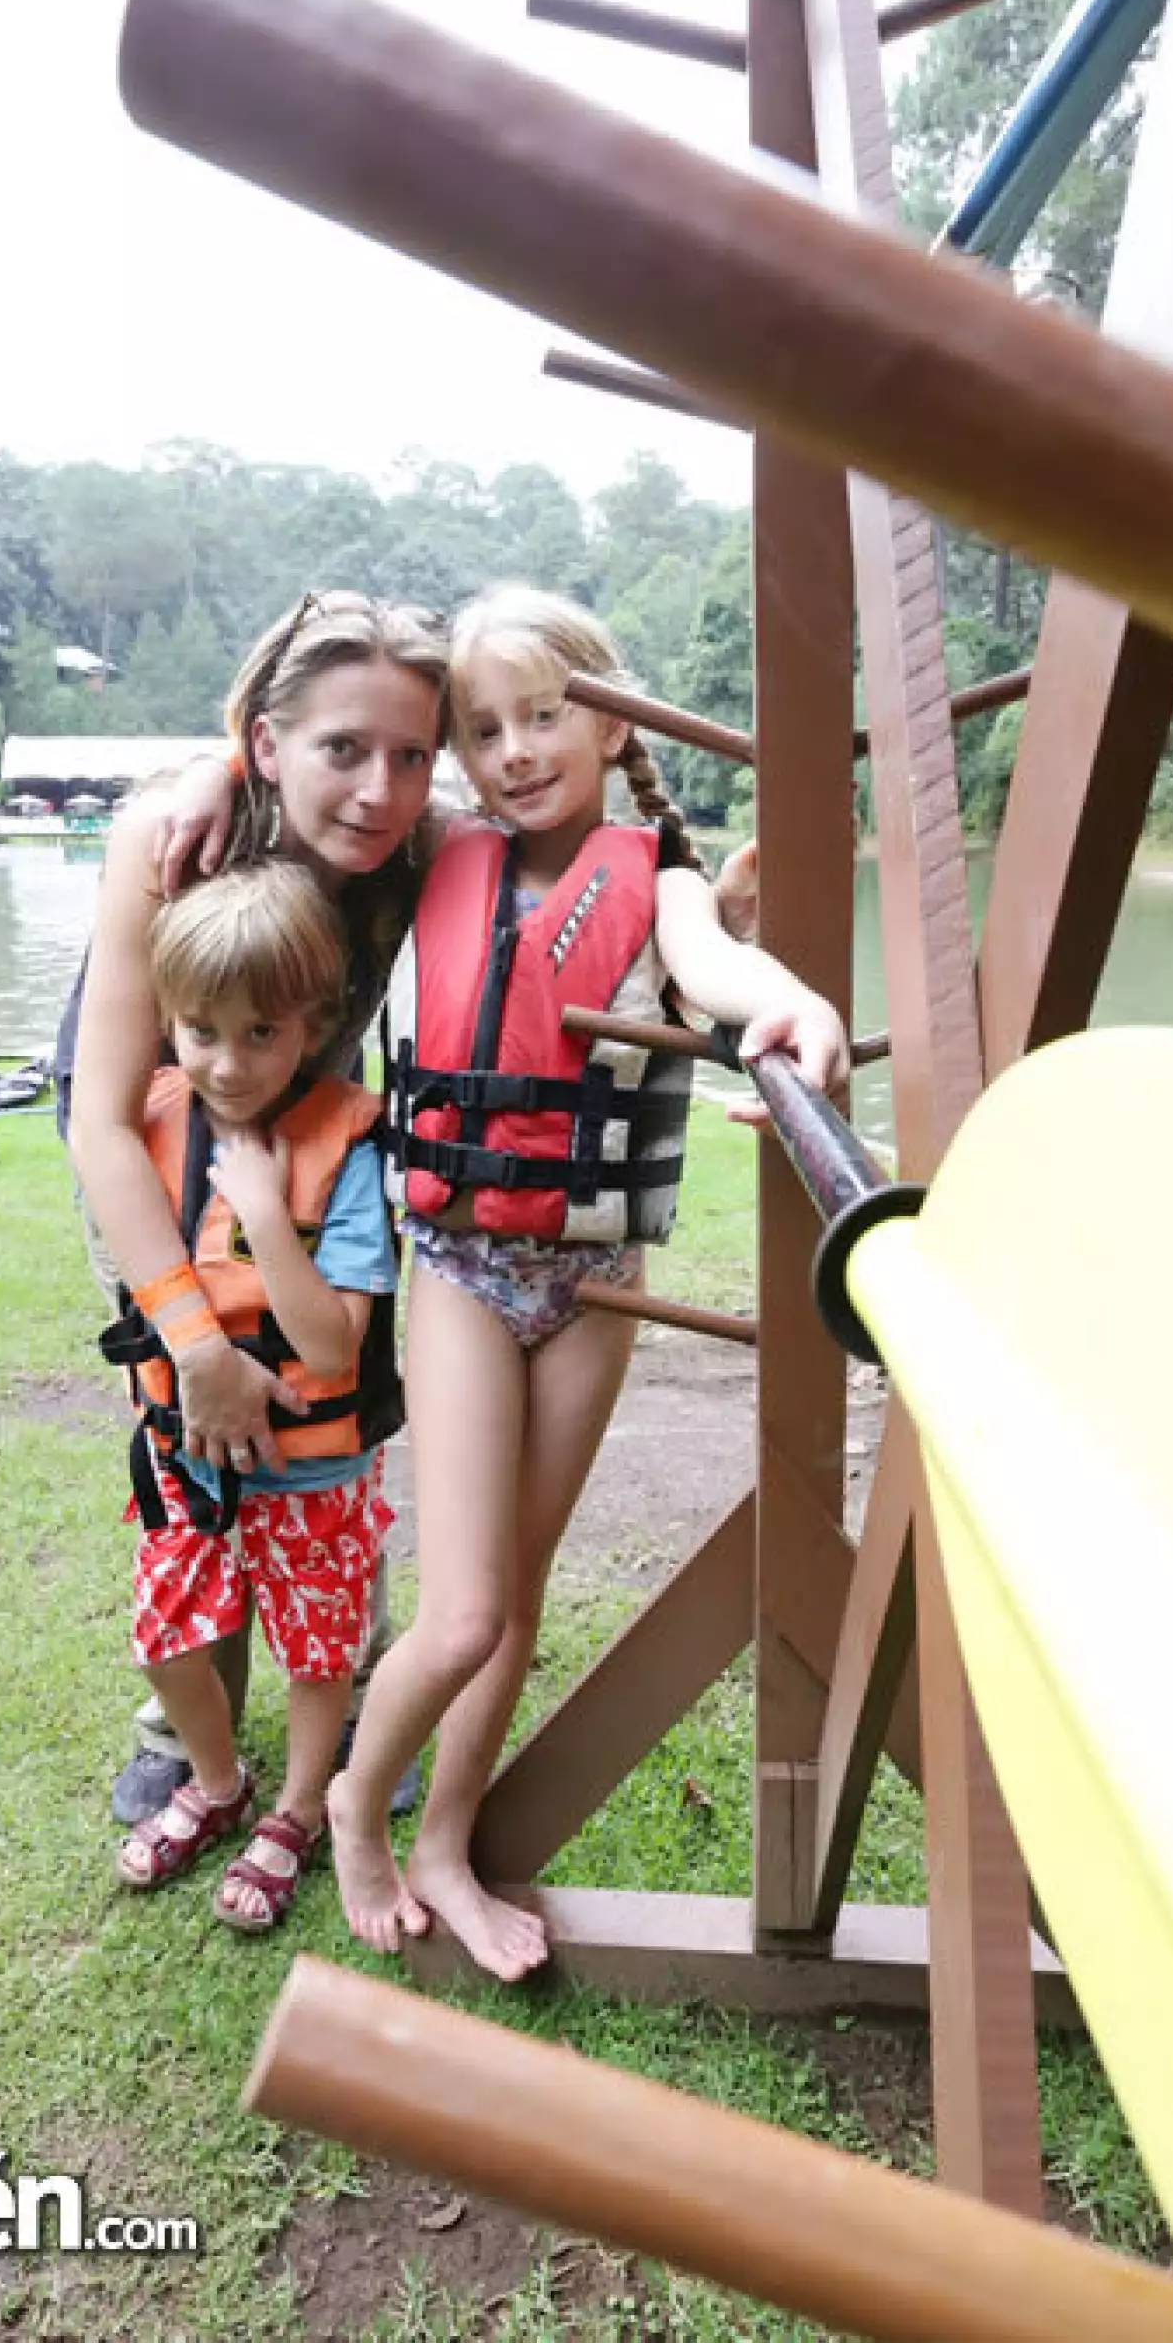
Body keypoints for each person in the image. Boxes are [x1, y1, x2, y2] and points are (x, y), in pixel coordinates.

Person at [324, 586, 850, 1982]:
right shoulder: (440, 850)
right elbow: (329, 791)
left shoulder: (661, 880)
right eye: (481, 728)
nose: (510, 750)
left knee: (521, 1596)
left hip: (589, 1285)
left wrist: (788, 1004)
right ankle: (350, 1815)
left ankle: (445, 1839)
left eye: (542, 716)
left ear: (613, 724)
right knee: (466, 1610)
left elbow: (718, 964)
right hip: (458, 1269)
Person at [67, 591, 448, 1824]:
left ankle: (342, 1697)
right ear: (268, 742)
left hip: (313, 1156)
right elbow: (103, 1123)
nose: (378, 791)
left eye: (409, 755)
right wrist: (189, 1336)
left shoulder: (423, 847)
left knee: (334, 1420)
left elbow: (539, 810)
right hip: (159, 1142)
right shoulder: (175, 837)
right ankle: (189, 1737)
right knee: (196, 1432)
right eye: (342, 749)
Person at [109, 860, 402, 1931]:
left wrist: (267, 1215)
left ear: (314, 1024)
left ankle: (295, 1809)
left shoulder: (346, 1150)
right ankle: (218, 1783)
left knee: (319, 1650)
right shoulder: (144, 1117)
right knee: (167, 1633)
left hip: (315, 1464)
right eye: (200, 1032)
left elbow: (331, 1349)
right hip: (184, 1451)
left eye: (261, 1034)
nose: (227, 1065)